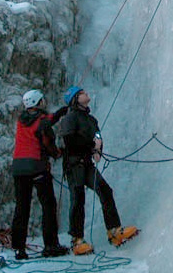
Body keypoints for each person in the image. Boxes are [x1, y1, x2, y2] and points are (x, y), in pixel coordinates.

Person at [58, 86, 139, 254]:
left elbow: (98, 137)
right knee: (77, 198)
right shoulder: (70, 118)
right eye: (82, 93)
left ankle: (114, 231)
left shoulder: (91, 120)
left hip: (86, 163)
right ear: (75, 99)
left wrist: (98, 149)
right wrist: (91, 146)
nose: (86, 94)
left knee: (105, 191)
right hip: (74, 165)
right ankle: (77, 240)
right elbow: (69, 140)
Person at [10, 89, 69, 260]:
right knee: (48, 205)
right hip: (36, 167)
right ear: (38, 103)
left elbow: (44, 121)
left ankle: (19, 249)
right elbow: (47, 142)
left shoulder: (21, 120)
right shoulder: (42, 122)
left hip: (18, 167)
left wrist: (58, 114)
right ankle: (51, 245)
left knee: (22, 208)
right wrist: (58, 153)